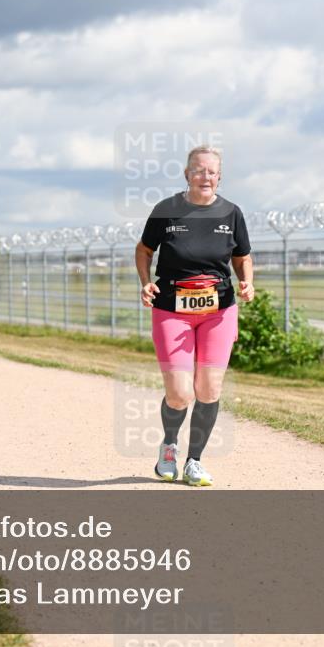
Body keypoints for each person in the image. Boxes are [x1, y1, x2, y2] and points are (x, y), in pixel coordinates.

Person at [134, 145, 254, 487]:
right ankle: (169, 446)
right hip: (172, 310)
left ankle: (194, 462)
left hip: (219, 311)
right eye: (199, 171)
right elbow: (143, 250)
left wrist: (247, 282)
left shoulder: (231, 213)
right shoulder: (166, 211)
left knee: (209, 388)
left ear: (219, 177)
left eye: (212, 172)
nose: (206, 177)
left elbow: (243, 256)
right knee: (180, 394)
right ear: (187, 175)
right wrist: (145, 283)